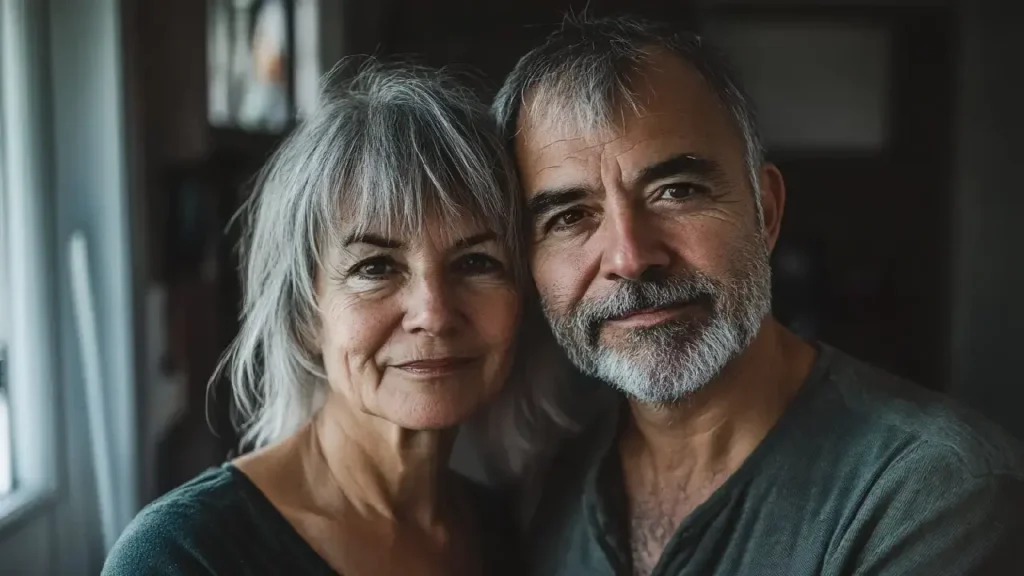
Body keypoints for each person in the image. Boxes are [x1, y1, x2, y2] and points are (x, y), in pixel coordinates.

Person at [494, 15, 1024, 576]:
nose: (629, 257)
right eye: (571, 216)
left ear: (765, 212)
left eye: (676, 191)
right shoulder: (548, 486)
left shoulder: (935, 494)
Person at [104, 60, 543, 575]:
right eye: (375, 267)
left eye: (475, 262)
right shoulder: (183, 555)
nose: (434, 313)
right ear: (303, 315)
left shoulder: (510, 531)